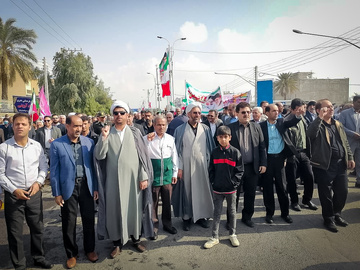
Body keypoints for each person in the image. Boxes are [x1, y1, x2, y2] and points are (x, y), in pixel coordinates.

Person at [95, 100, 153, 258]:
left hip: (134, 180)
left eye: (122, 113)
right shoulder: (108, 132)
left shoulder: (135, 133)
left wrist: (144, 176)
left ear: (128, 115)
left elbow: (143, 157)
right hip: (113, 182)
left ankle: (135, 239)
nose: (119, 116)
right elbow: (99, 155)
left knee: (134, 210)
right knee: (115, 212)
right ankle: (117, 243)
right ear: (112, 116)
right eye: (116, 113)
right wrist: (104, 138)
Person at [0, 113, 53, 270]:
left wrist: (38, 183)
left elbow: (44, 167)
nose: (20, 126)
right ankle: (19, 264)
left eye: (24, 124)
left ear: (30, 127)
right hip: (14, 196)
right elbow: (1, 173)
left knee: (37, 228)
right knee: (15, 232)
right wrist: (13, 189)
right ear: (13, 126)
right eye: (17, 124)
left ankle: (38, 257)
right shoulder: (4, 148)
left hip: (34, 193)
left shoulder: (36, 146)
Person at [50, 116, 99, 268]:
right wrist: (57, 193)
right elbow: (54, 170)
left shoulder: (88, 142)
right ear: (67, 126)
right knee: (69, 222)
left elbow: (93, 167)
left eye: (81, 126)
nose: (79, 129)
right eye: (75, 126)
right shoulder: (57, 144)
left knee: (89, 220)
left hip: (86, 186)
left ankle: (90, 250)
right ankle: (71, 253)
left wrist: (95, 187)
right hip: (67, 188)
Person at [307, 99, 355, 232]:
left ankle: (336, 214)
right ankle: (328, 218)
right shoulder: (317, 124)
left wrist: (349, 157)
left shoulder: (337, 124)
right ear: (318, 110)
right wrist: (319, 118)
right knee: (325, 194)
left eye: (331, 106)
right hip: (324, 165)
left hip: (340, 164)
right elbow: (310, 135)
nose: (331, 108)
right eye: (326, 107)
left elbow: (345, 143)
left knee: (342, 191)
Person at [173, 103, 215, 231]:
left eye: (198, 113)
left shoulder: (206, 129)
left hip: (202, 166)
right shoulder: (179, 129)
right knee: (187, 192)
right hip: (185, 166)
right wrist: (178, 168)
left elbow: (211, 148)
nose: (197, 115)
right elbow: (176, 150)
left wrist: (211, 166)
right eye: (194, 113)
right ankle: (187, 218)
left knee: (202, 191)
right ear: (188, 114)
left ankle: (202, 217)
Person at [227, 102, 267, 227]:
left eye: (248, 112)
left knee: (250, 194)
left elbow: (262, 146)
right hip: (235, 168)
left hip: (252, 167)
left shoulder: (256, 127)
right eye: (243, 112)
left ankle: (247, 217)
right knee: (234, 196)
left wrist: (263, 163)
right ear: (237, 113)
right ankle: (230, 220)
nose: (246, 114)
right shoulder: (229, 128)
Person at [260, 104, 301, 224]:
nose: (276, 113)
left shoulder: (282, 122)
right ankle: (269, 214)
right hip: (267, 161)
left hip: (280, 160)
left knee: (282, 188)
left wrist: (297, 115)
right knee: (267, 189)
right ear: (266, 113)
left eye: (277, 111)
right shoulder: (261, 126)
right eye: (273, 111)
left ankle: (285, 213)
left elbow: (292, 121)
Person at [204, 126, 243, 249]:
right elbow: (211, 170)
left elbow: (240, 171)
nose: (223, 139)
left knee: (232, 212)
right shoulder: (214, 152)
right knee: (216, 213)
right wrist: (213, 182)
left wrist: (234, 183)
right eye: (220, 137)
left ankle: (232, 234)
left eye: (225, 137)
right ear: (217, 138)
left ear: (230, 137)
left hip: (231, 189)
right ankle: (214, 237)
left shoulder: (235, 152)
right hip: (218, 189)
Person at [145, 115, 178, 239]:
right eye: (158, 124)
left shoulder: (170, 139)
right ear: (154, 125)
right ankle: (154, 226)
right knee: (153, 203)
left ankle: (168, 224)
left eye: (163, 125)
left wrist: (174, 173)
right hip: (154, 176)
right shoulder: (148, 138)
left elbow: (175, 156)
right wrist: (146, 139)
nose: (161, 127)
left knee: (167, 202)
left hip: (167, 175)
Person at [284, 98, 318, 212]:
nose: (303, 110)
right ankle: (294, 201)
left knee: (309, 176)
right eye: (300, 109)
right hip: (291, 155)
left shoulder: (303, 119)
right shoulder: (286, 121)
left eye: (303, 108)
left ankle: (307, 199)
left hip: (304, 153)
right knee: (292, 179)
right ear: (293, 109)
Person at [339, 95, 360, 188]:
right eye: (359, 102)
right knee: (346, 161)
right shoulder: (345, 113)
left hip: (359, 142)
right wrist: (352, 133)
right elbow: (341, 127)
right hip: (349, 141)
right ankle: (342, 180)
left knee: (359, 162)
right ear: (354, 102)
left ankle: (359, 180)